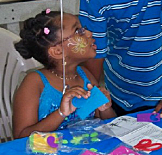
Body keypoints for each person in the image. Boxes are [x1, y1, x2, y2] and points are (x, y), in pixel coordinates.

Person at [13, 10, 116, 139]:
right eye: (78, 31)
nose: (89, 33)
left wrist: (105, 108)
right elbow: (20, 138)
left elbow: (111, 126)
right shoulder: (34, 82)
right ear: (57, 51)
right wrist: (61, 113)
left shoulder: (85, 76)